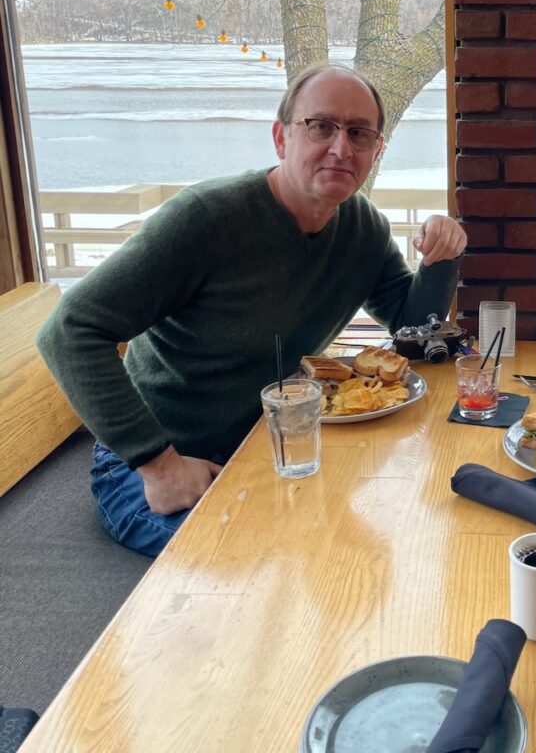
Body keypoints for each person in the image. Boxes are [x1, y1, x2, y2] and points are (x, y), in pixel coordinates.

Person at [37, 64, 466, 557]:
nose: (341, 147)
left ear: (376, 150)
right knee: (254, 566)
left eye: (359, 133)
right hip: (160, 457)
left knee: (390, 536)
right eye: (321, 126)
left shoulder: (362, 227)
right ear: (282, 138)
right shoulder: (206, 219)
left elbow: (412, 328)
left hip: (276, 442)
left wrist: (440, 258)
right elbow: (68, 331)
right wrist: (159, 464)